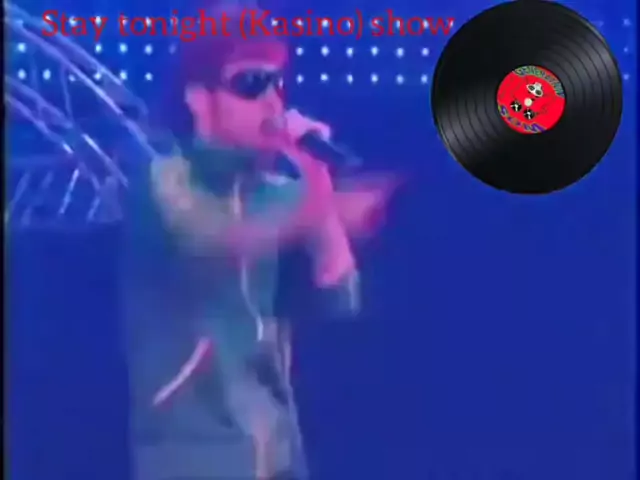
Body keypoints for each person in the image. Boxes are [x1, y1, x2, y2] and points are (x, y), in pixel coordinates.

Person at [122, 6, 397, 480]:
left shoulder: (281, 193)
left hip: (277, 453)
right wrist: (317, 206)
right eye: (251, 83)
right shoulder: (161, 179)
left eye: (276, 83)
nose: (272, 101)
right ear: (199, 99)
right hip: (192, 455)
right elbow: (218, 236)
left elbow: (339, 294)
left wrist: (316, 180)